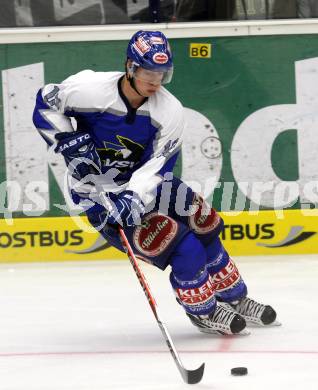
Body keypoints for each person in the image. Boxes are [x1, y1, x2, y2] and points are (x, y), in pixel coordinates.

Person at [32, 30, 278, 336]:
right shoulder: (89, 89)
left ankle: (235, 298)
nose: (156, 81)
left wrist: (133, 197)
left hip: (149, 187)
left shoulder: (169, 110)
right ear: (130, 67)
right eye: (149, 72)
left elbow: (159, 164)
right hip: (100, 197)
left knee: (205, 225)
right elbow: (45, 101)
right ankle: (203, 312)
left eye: (162, 74)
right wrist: (66, 139)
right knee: (184, 247)